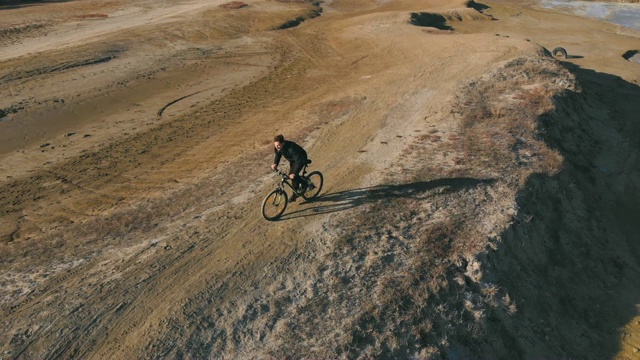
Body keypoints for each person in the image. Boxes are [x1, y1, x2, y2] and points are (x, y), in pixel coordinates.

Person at [271, 134, 308, 201]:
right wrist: (275, 163)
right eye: (275, 145)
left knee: (293, 175)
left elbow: (299, 160)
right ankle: (296, 193)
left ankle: (305, 184)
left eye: (278, 145)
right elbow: (278, 155)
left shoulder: (291, 148)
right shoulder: (278, 147)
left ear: (283, 143)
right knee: (291, 176)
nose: (277, 147)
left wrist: (294, 173)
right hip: (293, 160)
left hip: (301, 158)